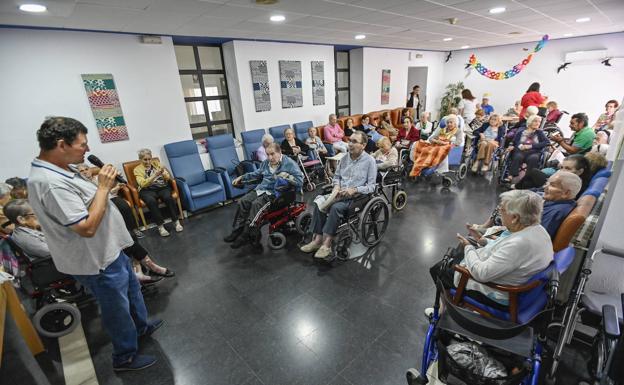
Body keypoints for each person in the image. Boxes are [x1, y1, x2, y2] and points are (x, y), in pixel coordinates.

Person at [27, 116, 161, 371]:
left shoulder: (64, 168)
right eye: (82, 144)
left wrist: (95, 178)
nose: (87, 150)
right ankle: (124, 356)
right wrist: (102, 189)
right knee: (115, 308)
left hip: (111, 249)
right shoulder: (49, 183)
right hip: (95, 259)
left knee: (132, 290)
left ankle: (141, 327)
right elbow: (86, 227)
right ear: (61, 144)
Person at [430, 190, 552, 308]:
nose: (499, 212)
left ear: (515, 218)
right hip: (512, 279)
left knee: (439, 269)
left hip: (499, 294)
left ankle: (446, 310)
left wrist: (468, 247)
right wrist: (481, 240)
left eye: (502, 210)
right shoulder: (539, 230)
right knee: (458, 254)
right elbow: (504, 246)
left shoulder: (518, 244)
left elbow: (482, 274)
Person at [76, 165, 173, 281]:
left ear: (90, 170)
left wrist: (116, 183)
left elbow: (114, 188)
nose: (84, 172)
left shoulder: (99, 178)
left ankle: (139, 268)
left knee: (126, 218)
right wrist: (108, 190)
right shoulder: (82, 185)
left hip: (113, 201)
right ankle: (147, 266)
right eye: (81, 171)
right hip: (104, 209)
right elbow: (97, 200)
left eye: (86, 169)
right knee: (129, 237)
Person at [299, 131, 377, 259]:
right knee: (319, 203)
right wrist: (336, 185)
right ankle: (317, 240)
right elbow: (337, 176)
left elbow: (372, 187)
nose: (350, 144)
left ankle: (327, 244)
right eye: (350, 141)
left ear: (363, 145)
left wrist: (355, 189)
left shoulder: (370, 161)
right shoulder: (345, 158)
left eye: (354, 142)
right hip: (340, 192)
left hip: (358, 197)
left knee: (335, 208)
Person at [224, 143, 303, 252]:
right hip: (261, 189)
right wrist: (242, 177)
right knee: (243, 201)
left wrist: (287, 176)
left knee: (256, 205)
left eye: (272, 154)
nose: (270, 157)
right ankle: (238, 230)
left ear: (280, 152)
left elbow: (300, 181)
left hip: (275, 193)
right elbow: (257, 174)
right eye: (267, 155)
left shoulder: (289, 164)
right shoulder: (266, 163)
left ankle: (246, 233)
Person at [469, 171, 581, 243]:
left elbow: (534, 239)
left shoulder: (556, 212)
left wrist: (497, 239)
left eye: (552, 185)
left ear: (566, 193)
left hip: (513, 241)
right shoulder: (557, 203)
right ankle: (487, 229)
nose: (545, 187)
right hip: (510, 233)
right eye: (548, 183)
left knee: (469, 239)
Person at [134, 148, 183, 237]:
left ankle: (176, 221)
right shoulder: (137, 169)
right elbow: (142, 184)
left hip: (162, 187)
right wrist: (154, 175)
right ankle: (160, 226)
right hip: (147, 190)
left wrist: (164, 174)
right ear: (140, 159)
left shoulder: (157, 164)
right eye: (145, 159)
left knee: (168, 197)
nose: (148, 161)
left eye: (149, 159)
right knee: (151, 201)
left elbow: (168, 178)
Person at [505, 114, 549, 183]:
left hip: (534, 152)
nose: (537, 123)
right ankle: (511, 176)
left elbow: (546, 142)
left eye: (539, 122)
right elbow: (514, 142)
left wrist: (531, 146)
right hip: (521, 151)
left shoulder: (539, 132)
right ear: (530, 122)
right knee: (517, 156)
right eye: (535, 121)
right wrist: (513, 146)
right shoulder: (521, 131)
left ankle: (527, 179)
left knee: (533, 158)